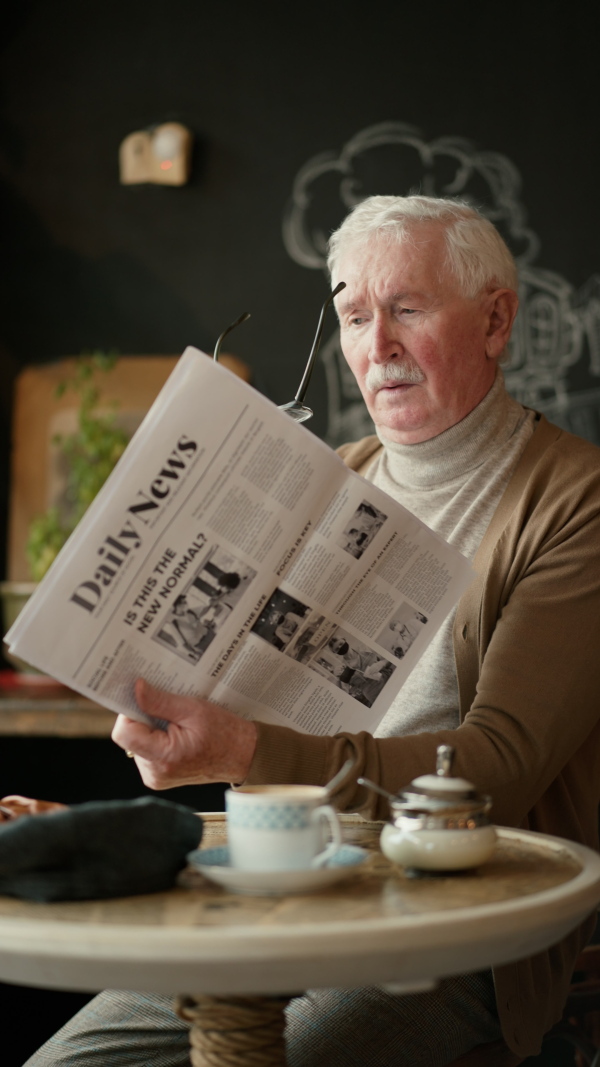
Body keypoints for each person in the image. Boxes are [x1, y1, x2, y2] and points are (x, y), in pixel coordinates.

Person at [25, 195, 600, 1067]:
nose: (378, 347)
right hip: (283, 878)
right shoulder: (338, 478)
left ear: (495, 319)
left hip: (455, 917)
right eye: (356, 316)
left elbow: (497, 768)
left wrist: (248, 750)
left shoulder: (576, 502)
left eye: (408, 308)